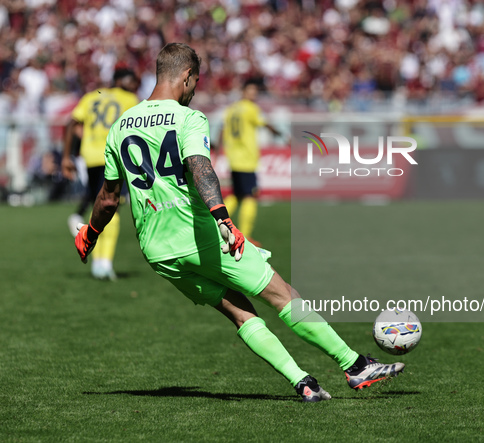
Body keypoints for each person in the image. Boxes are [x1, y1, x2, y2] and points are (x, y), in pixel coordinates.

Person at [74, 43, 404, 402]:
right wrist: (223, 219)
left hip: (158, 250)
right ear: (186, 76)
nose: (195, 90)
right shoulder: (188, 118)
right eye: (195, 82)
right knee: (282, 294)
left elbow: (108, 197)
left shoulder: (120, 125)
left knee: (237, 310)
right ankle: (354, 365)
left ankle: (302, 382)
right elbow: (202, 170)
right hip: (199, 235)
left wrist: (90, 234)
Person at [62, 68, 139, 280]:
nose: (135, 86)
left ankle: (96, 261)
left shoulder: (90, 97)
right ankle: (104, 262)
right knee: (113, 206)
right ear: (121, 81)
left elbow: (71, 122)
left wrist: (66, 156)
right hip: (113, 155)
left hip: (91, 155)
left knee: (99, 203)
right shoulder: (129, 98)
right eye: (132, 81)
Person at [216, 79, 283, 245]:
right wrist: (282, 135)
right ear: (244, 92)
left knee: (236, 194)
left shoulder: (231, 109)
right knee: (250, 195)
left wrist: (219, 148)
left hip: (233, 157)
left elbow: (222, 129)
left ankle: (216, 224)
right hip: (246, 158)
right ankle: (245, 235)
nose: (253, 94)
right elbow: (266, 124)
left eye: (255, 91)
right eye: (251, 91)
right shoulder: (251, 108)